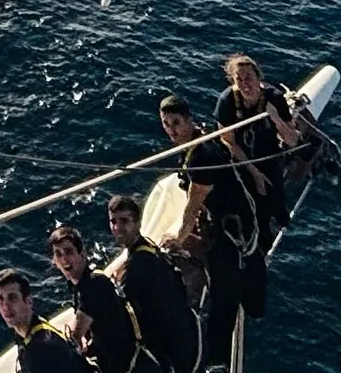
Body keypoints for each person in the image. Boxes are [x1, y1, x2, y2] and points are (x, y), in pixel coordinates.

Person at [158, 95, 266, 370]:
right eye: (166, 124)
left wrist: (178, 240)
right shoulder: (201, 139)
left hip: (230, 229)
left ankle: (217, 358)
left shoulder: (201, 157)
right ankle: (253, 302)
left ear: (189, 120)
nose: (171, 129)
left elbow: (193, 206)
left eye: (176, 123)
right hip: (234, 216)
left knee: (223, 295)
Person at [106, 194, 202, 373]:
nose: (118, 227)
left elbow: (118, 309)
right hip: (186, 338)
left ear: (137, 223)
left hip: (170, 351)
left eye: (124, 221)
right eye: (113, 221)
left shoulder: (137, 264)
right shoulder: (149, 248)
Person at [47, 224, 161, 373]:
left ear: (83, 254)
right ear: (54, 261)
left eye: (69, 252)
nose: (64, 259)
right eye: (58, 254)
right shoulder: (85, 284)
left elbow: (75, 338)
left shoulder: (93, 286)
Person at [214, 55, 301, 242]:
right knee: (251, 205)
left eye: (249, 78)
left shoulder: (274, 98)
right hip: (241, 160)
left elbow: (293, 140)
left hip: (268, 156)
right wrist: (254, 173)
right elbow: (228, 141)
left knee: (276, 200)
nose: (245, 84)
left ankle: (280, 218)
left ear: (258, 77)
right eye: (239, 79)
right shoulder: (227, 101)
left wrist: (276, 118)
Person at [0, 268, 88, 370]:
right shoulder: (31, 330)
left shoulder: (40, 350)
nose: (5, 307)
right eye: (0, 299)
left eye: (12, 298)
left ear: (28, 301)